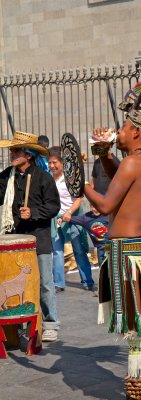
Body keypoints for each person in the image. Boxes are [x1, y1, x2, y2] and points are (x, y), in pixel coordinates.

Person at [83, 107, 141, 399]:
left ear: (137, 132)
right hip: (140, 250)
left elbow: (105, 206)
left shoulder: (132, 163)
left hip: (127, 254)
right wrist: (104, 154)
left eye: (123, 127)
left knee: (135, 323)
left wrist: (78, 184)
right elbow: (119, 175)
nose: (117, 131)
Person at [0, 131, 61, 342]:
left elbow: (54, 206)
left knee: (44, 283)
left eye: (16, 150)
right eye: (11, 150)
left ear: (28, 155)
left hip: (39, 237)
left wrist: (33, 213)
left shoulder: (43, 178)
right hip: (15, 238)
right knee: (14, 286)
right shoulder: (7, 176)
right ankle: (18, 325)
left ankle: (50, 323)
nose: (12, 154)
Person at [48, 146, 95, 292]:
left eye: (55, 162)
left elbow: (78, 199)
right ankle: (58, 283)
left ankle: (87, 281)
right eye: (49, 163)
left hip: (73, 218)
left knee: (79, 250)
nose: (52, 166)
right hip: (55, 219)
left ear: (62, 163)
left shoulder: (70, 179)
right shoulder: (48, 179)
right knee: (57, 252)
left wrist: (69, 213)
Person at [63, 203, 108, 267]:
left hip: (111, 245)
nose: (95, 209)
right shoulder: (86, 218)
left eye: (98, 206)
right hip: (100, 248)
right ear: (90, 206)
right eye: (93, 206)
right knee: (103, 269)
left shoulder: (107, 215)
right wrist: (62, 219)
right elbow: (70, 218)